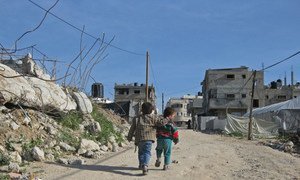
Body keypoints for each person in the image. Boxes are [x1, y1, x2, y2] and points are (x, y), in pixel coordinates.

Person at [127, 102, 159, 175]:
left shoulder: (137, 118)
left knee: (140, 152)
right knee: (147, 152)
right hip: (149, 139)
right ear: (151, 110)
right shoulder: (154, 118)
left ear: (142, 109)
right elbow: (160, 124)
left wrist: (129, 137)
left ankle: (141, 164)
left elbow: (132, 129)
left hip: (139, 139)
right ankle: (145, 165)